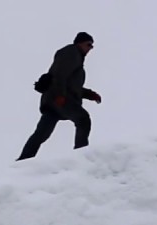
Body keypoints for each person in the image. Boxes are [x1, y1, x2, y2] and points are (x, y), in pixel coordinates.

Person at [17, 32, 102, 160]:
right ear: (79, 43)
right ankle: (81, 155)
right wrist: (60, 96)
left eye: (92, 46)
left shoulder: (76, 60)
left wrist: (90, 94)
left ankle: (24, 160)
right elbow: (59, 75)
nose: (90, 48)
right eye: (88, 44)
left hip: (53, 101)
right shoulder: (71, 52)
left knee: (41, 134)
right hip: (60, 99)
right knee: (83, 119)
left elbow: (73, 87)